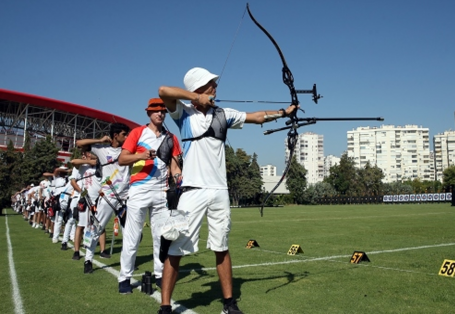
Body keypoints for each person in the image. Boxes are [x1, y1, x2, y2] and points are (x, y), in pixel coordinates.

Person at [157, 67, 297, 314]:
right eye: (211, 84)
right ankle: (165, 306)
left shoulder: (224, 114)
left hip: (219, 190)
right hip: (191, 190)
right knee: (176, 247)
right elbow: (164, 91)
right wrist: (195, 98)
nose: (215, 88)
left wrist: (284, 112)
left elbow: (257, 117)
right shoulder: (183, 114)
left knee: (221, 245)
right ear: (199, 87)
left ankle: (229, 305)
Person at [117, 98, 182, 294]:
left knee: (160, 237)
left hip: (161, 192)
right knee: (132, 236)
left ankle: (160, 275)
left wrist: (178, 179)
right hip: (139, 190)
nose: (160, 114)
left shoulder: (171, 137)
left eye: (163, 111)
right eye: (156, 111)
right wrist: (141, 156)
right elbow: (122, 159)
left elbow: (175, 164)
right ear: (148, 113)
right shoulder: (137, 133)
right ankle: (125, 278)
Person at [76, 122, 131, 274]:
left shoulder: (128, 149)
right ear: (115, 135)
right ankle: (88, 259)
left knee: (128, 233)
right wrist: (100, 140)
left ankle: (126, 265)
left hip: (125, 197)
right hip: (107, 196)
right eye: (124, 134)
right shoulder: (102, 149)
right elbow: (79, 143)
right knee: (96, 229)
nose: (126, 137)